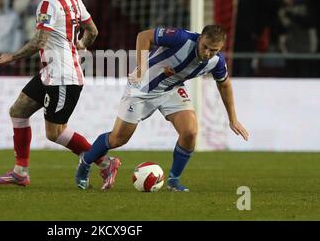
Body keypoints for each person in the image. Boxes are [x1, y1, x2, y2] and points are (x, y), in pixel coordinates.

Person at [0, 0, 120, 189]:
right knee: (18, 110)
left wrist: (13, 56)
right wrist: (80, 44)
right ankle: (20, 172)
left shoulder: (48, 5)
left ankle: (105, 162)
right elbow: (93, 30)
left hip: (63, 77)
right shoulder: (75, 1)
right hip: (51, 72)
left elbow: (39, 41)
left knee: (55, 132)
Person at [75, 25, 250, 190]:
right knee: (118, 139)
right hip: (141, 87)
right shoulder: (181, 38)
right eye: (205, 47)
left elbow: (224, 85)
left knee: (190, 132)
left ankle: (173, 180)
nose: (207, 53)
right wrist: (141, 68)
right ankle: (86, 162)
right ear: (200, 38)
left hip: (171, 89)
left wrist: (232, 119)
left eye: (214, 50)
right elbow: (144, 36)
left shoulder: (217, 62)